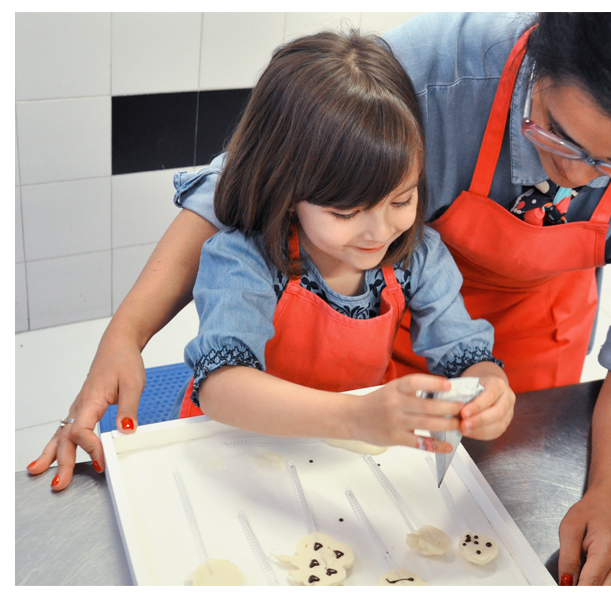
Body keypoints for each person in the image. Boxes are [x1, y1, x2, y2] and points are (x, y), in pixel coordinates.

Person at [29, 12, 611, 586]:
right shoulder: (256, 253)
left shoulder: (414, 254)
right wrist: (125, 334)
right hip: (295, 432)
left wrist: (518, 413)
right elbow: (230, 238)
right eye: (556, 134)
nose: (577, 174)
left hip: (448, 386)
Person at [166, 30, 513, 446]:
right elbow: (221, 387)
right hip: (234, 443)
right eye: (346, 212)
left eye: (401, 200)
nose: (379, 232)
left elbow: (464, 353)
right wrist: (355, 416)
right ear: (288, 191)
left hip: (341, 449)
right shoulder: (244, 259)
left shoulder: (417, 258)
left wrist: (488, 388)